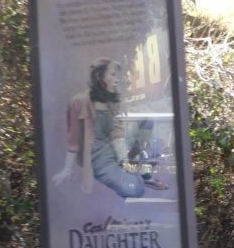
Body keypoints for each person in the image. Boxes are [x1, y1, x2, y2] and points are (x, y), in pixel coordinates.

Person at [52, 57, 168, 197]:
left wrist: (123, 160)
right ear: (100, 77)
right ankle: (141, 174)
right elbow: (73, 139)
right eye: (113, 75)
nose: (117, 80)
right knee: (135, 189)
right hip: (99, 158)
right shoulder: (79, 101)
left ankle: (143, 174)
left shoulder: (112, 100)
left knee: (148, 121)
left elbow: (117, 132)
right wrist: (67, 169)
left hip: (117, 149)